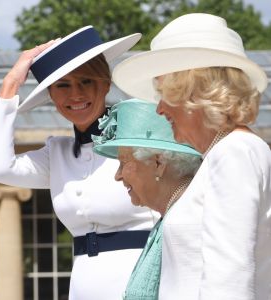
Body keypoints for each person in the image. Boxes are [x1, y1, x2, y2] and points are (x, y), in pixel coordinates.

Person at [0, 26, 159, 300]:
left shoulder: (143, 139)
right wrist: (9, 86)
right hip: (82, 286)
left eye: (86, 81)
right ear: (51, 96)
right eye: (63, 85)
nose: (75, 94)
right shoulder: (57, 153)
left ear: (105, 82)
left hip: (143, 279)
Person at [111, 13, 271, 300]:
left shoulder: (236, 151)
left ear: (193, 91)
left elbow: (229, 279)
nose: (158, 109)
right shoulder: (223, 152)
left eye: (163, 92)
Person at [93, 98, 202, 299]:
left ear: (158, 163)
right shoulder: (173, 215)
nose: (118, 176)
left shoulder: (186, 221)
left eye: (124, 163)